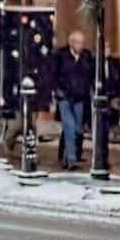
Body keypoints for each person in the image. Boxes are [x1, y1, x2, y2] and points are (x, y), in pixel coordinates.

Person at [51, 30, 93, 170]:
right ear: (71, 43)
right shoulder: (61, 56)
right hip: (65, 98)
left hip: (80, 98)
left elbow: (91, 75)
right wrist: (58, 91)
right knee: (70, 127)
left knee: (78, 130)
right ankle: (71, 160)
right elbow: (53, 74)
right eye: (78, 42)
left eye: (82, 42)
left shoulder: (86, 56)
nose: (80, 45)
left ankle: (66, 158)